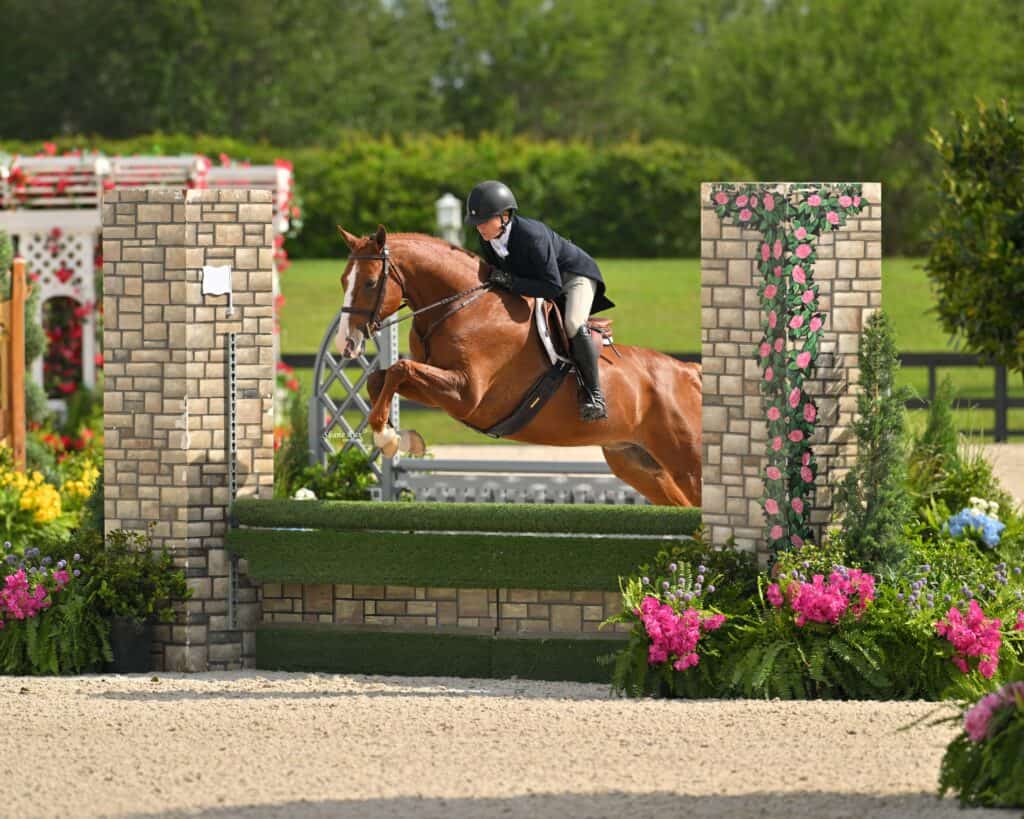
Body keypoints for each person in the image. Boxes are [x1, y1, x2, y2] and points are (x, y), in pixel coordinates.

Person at [464, 180, 615, 421]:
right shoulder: (488, 238)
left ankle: (594, 395)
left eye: (484, 220)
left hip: (573, 278)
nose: (479, 227)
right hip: (540, 280)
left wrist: (510, 281)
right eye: (476, 222)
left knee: (573, 323)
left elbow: (552, 285)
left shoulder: (531, 236)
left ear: (504, 217)